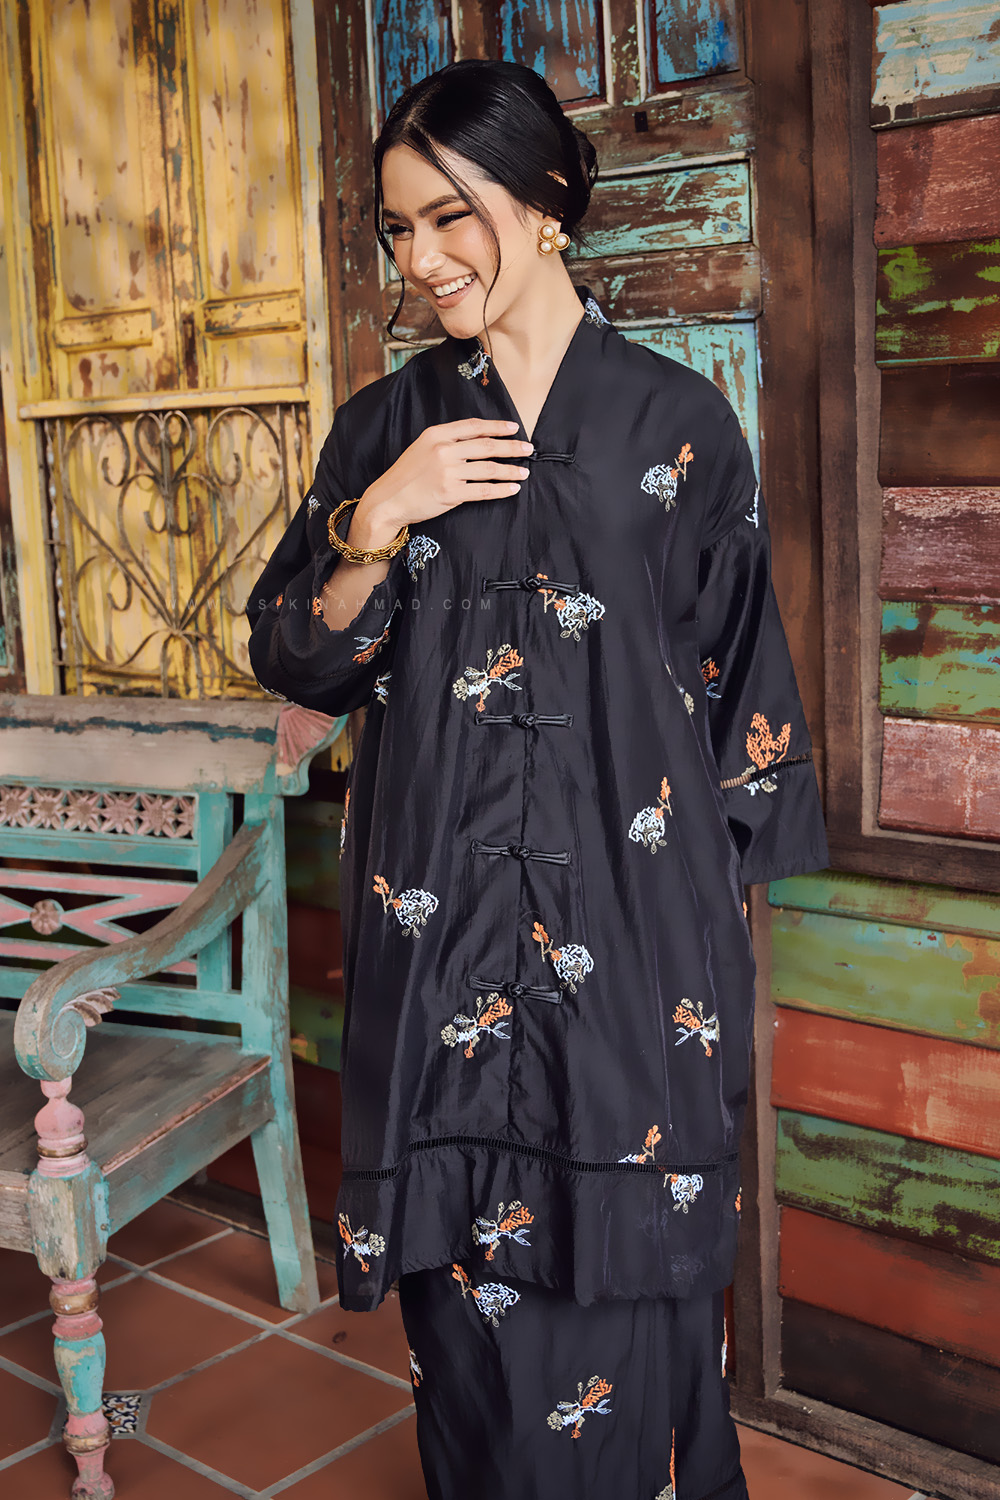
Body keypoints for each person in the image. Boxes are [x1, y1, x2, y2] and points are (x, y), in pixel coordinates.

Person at [246, 57, 828, 1500]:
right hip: (436, 932)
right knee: (465, 1314)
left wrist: (708, 934)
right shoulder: (381, 430)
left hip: (632, 941)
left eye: (452, 216)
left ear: (550, 201)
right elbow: (301, 659)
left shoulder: (680, 426)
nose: (422, 258)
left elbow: (740, 687)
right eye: (399, 228)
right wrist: (379, 521)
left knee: (624, 1287)